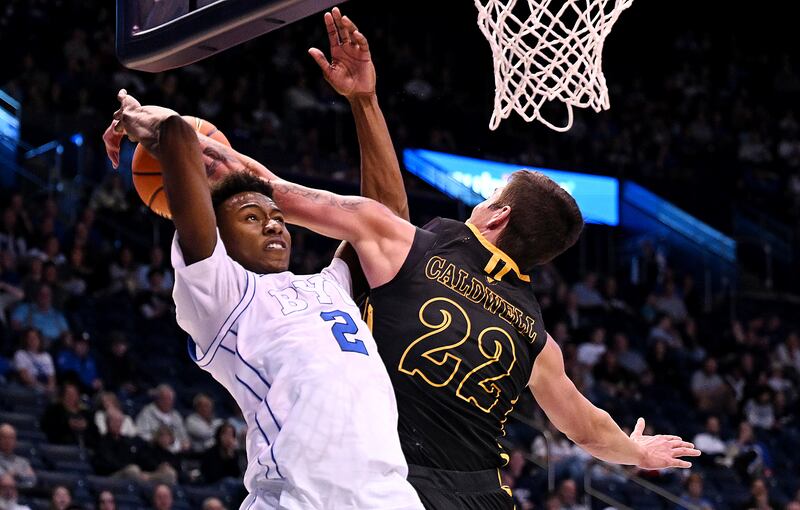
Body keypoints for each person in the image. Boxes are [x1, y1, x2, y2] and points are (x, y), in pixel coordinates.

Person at [108, 10, 698, 510]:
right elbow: (586, 427)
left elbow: (296, 196)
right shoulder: (536, 336)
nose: (273, 224)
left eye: (487, 198)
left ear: (496, 219)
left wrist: (194, 144)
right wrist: (638, 452)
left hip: (397, 486)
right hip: (472, 495)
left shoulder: (416, 249)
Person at [105, 10, 424, 510]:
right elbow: (180, 141)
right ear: (218, 236)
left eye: (276, 216)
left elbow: (383, 223)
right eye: (251, 217)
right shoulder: (221, 294)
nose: (274, 223)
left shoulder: (330, 286)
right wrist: (146, 120)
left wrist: (364, 101)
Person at [40, 381, 97, 447]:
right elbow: (47, 427)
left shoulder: (86, 413)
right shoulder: (54, 410)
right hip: (62, 448)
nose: (71, 397)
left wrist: (86, 426)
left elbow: (95, 435)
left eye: (74, 394)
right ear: (63, 395)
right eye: (68, 394)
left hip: (86, 448)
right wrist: (67, 424)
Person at [134, 384, 189, 453]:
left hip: (176, 452)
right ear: (157, 399)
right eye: (164, 399)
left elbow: (183, 436)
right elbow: (141, 434)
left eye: (170, 399)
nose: (168, 402)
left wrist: (184, 443)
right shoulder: (147, 412)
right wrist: (156, 440)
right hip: (154, 451)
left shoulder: (176, 415)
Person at [12, 328, 55, 394]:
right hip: (30, 387)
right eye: (30, 338)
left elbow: (51, 376)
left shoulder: (46, 356)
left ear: (39, 339)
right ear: (26, 340)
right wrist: (42, 387)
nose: (33, 340)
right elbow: (24, 376)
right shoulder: (20, 354)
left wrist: (50, 387)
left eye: (35, 337)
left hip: (46, 386)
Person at [0, 424, 36, 490]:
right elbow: (4, 480)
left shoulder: (23, 462)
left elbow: (32, 481)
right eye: (4, 437)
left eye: (11, 438)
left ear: (15, 441)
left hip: (20, 495)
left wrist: (17, 475)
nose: (8, 441)